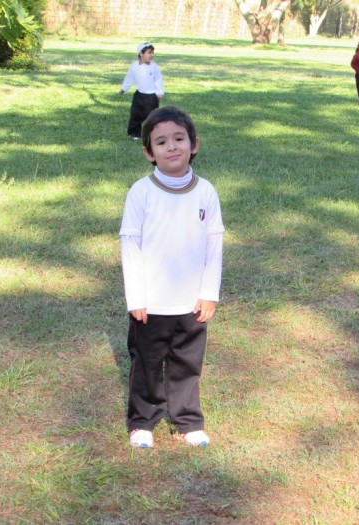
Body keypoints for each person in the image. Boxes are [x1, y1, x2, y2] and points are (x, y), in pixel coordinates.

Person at [119, 106, 225, 449]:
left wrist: (209, 293)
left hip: (191, 302)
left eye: (179, 138)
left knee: (186, 363)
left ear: (194, 144)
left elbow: (214, 243)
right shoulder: (141, 192)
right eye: (161, 142)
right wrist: (137, 298)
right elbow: (130, 245)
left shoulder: (206, 191)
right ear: (148, 152)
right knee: (147, 364)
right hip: (151, 303)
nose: (172, 147)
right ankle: (142, 421)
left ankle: (188, 420)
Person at [119, 42, 164, 140]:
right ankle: (135, 133)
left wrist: (159, 92)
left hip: (151, 96)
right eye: (149, 52)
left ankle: (152, 134)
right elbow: (129, 78)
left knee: (151, 116)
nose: (151, 55)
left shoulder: (154, 67)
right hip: (139, 95)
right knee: (135, 114)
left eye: (152, 53)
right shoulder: (134, 66)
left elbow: (158, 79)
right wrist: (124, 89)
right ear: (141, 53)